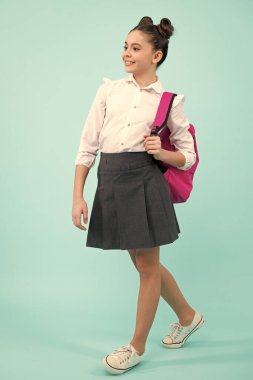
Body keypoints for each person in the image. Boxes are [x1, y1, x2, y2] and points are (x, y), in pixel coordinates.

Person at [72, 16, 204, 375]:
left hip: (145, 183)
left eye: (135, 48)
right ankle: (188, 317)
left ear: (156, 55)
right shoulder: (108, 90)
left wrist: (162, 153)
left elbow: (188, 155)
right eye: (125, 46)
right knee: (145, 264)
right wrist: (78, 195)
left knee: (146, 267)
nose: (126, 53)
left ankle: (136, 347)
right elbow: (88, 147)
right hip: (112, 181)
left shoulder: (168, 101)